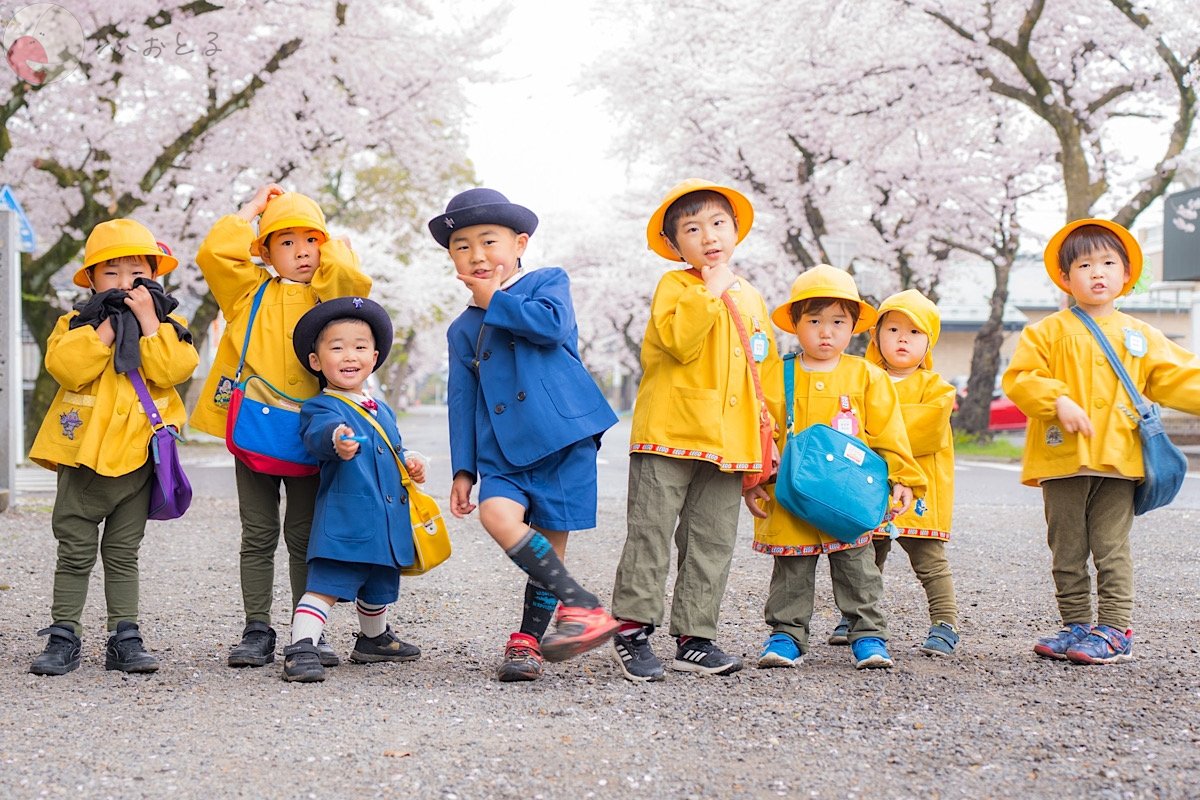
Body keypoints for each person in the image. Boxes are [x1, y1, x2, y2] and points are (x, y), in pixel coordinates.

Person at [430, 187, 620, 681]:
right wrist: (463, 468)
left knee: (550, 549)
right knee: (498, 515)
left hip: (561, 437)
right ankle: (581, 604)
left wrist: (493, 298)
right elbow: (462, 399)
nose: (477, 254)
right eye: (462, 245)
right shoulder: (461, 329)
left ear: (520, 243)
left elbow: (551, 328)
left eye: (488, 241)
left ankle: (528, 641)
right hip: (501, 451)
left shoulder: (546, 283)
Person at [1003, 219, 1200, 665]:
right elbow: (1020, 379)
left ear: (1126, 274)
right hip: (1061, 457)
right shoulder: (1045, 331)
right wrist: (1058, 400)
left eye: (1109, 263)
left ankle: (1114, 628)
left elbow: (1180, 378)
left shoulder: (1141, 334)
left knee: (1111, 547)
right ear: (1065, 276)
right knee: (1066, 546)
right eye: (1085, 264)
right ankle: (1076, 624)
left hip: (1119, 460)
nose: (1098, 272)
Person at [190, 184, 372, 669]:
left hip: (314, 433)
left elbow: (353, 280)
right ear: (265, 251)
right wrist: (252, 210)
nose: (302, 252)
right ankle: (256, 627)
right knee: (258, 532)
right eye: (286, 242)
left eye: (310, 241)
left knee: (305, 534)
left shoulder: (330, 298)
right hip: (255, 428)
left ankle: (304, 630)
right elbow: (214, 252)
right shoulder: (248, 291)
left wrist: (331, 243)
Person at [610, 179, 780, 681]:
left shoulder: (750, 296)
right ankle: (631, 628)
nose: (708, 236)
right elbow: (681, 343)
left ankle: (695, 636)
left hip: (730, 442)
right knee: (652, 532)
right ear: (673, 244)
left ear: (735, 231)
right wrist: (711, 288)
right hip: (671, 430)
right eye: (692, 228)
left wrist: (769, 448)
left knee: (712, 539)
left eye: (718, 223)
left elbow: (764, 376)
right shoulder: (677, 287)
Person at [28, 219, 199, 675]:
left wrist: (146, 322)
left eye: (136, 273)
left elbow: (173, 369)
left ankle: (125, 635)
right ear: (91, 279)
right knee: (75, 548)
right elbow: (66, 367)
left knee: (124, 552)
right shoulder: (75, 323)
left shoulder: (167, 325)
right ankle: (64, 634)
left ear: (153, 277)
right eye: (112, 273)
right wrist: (105, 328)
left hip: (140, 459)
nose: (125, 283)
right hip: (84, 457)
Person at [744, 265, 924, 670]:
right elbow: (760, 431)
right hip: (790, 492)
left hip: (850, 492)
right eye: (814, 321)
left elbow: (889, 434)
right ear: (794, 323)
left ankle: (869, 635)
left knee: (859, 568)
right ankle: (786, 634)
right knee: (791, 567)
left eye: (838, 322)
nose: (826, 332)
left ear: (854, 326)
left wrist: (904, 478)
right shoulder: (775, 374)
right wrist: (751, 480)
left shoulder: (866, 375)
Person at [281, 295, 425, 682]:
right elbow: (317, 436)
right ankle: (301, 647)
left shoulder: (381, 408)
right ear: (316, 361)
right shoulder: (322, 407)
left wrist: (409, 458)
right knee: (326, 585)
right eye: (337, 347)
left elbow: (392, 446)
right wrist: (337, 442)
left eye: (360, 347)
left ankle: (373, 641)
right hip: (347, 517)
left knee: (378, 585)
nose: (350, 356)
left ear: (374, 357)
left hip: (384, 517)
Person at [860, 289, 960, 657]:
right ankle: (859, 617)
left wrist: (876, 431)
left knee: (929, 558)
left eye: (915, 332)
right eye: (894, 330)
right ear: (877, 336)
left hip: (920, 486)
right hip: (872, 484)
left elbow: (925, 429)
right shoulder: (864, 378)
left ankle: (945, 622)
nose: (903, 338)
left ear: (928, 342)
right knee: (867, 555)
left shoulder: (936, 387)